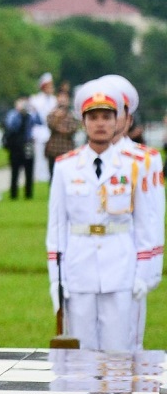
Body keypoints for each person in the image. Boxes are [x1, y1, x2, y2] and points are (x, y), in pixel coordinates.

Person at [46, 81, 160, 351]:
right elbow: (57, 228)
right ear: (83, 122)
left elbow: (146, 223)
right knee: (81, 354)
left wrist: (144, 274)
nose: (100, 124)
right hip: (78, 268)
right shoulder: (66, 167)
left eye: (107, 117)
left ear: (118, 122)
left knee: (119, 352)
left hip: (121, 268)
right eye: (93, 117)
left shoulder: (133, 167)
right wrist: (56, 278)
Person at [94, 74, 164, 350]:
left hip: (127, 266)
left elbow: (151, 219)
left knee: (125, 348)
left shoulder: (143, 160)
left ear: (127, 117)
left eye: (114, 111)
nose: (106, 119)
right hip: (86, 265)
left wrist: (146, 274)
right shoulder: (77, 161)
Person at [3, 97, 40, 200]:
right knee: (15, 171)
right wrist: (18, 112)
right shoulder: (13, 115)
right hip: (16, 146)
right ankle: (13, 194)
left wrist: (34, 110)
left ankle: (28, 194)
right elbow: (11, 126)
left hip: (28, 144)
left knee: (29, 170)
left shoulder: (30, 116)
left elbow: (39, 121)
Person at [44, 90, 78, 181]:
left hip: (67, 150)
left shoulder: (72, 115)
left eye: (64, 97)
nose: (62, 100)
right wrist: (58, 119)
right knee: (53, 176)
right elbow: (51, 126)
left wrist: (59, 129)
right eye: (60, 97)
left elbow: (72, 129)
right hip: (53, 150)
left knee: (67, 176)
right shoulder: (52, 113)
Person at [30, 73, 57, 182]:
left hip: (51, 131)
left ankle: (48, 175)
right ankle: (39, 176)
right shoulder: (35, 99)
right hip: (40, 131)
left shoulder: (54, 100)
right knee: (39, 155)